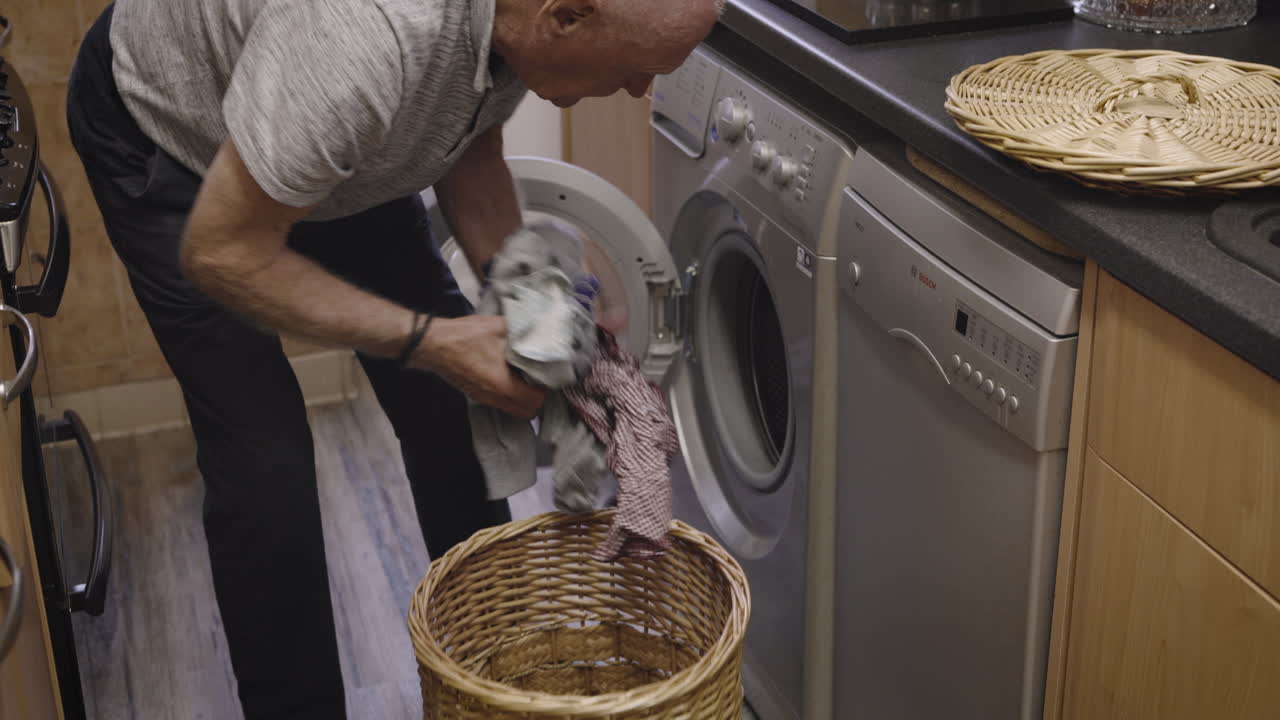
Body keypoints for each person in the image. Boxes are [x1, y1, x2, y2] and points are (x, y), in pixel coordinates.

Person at [65, 0, 721, 717]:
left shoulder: (510, 29)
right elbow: (224, 251)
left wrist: (547, 320)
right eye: (637, 68)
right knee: (266, 467)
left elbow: (470, 150)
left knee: (449, 411)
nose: (637, 91)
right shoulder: (365, 36)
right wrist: (432, 340)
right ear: (562, 18)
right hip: (175, 144)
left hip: (323, 133)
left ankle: (499, 671)